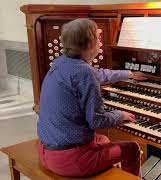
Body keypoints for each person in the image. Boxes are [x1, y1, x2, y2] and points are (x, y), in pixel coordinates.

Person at [37, 18, 146, 177]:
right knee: (132, 148)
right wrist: (120, 115)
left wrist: (128, 74)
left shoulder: (61, 62)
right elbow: (97, 121)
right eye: (98, 38)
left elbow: (98, 74)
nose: (101, 42)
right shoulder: (84, 72)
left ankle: (110, 172)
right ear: (90, 44)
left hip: (47, 152)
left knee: (103, 140)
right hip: (71, 160)